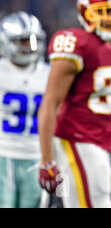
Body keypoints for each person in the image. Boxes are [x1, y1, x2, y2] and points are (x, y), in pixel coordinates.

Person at [37, 0, 111, 208]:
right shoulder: (76, 44)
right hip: (75, 137)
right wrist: (46, 159)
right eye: (106, 12)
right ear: (86, 13)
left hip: (100, 141)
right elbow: (50, 104)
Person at [0, 12, 49, 208]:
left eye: (34, 41)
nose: (29, 47)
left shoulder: (49, 73)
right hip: (3, 153)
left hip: (37, 156)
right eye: (22, 41)